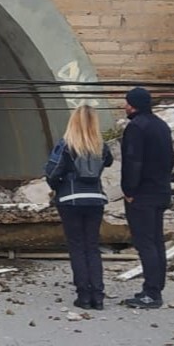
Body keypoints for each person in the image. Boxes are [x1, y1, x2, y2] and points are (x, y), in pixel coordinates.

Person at [44, 104, 114, 310]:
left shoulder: (66, 145)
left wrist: (57, 187)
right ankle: (98, 295)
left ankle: (83, 296)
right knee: (92, 246)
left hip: (70, 199)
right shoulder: (101, 146)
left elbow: (52, 172)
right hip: (95, 199)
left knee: (77, 246)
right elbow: (108, 163)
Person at [119, 86, 174, 309]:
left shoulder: (136, 128)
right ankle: (156, 287)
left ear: (134, 105)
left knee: (145, 243)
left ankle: (151, 293)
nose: (125, 106)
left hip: (142, 195)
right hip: (160, 190)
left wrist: (129, 191)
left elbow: (133, 162)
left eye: (127, 102)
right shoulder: (161, 126)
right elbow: (170, 160)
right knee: (156, 241)